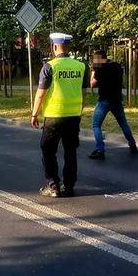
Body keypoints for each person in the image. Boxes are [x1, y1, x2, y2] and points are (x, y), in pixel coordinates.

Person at [31, 32, 88, 198]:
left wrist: (34, 114)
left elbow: (41, 93)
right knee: (70, 152)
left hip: (54, 118)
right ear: (68, 47)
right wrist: (79, 110)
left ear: (54, 47)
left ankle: (54, 186)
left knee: (48, 151)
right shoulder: (81, 66)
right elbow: (84, 93)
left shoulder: (49, 66)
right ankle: (69, 186)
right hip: (73, 116)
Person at [88, 50, 137, 159]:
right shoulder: (117, 66)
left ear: (99, 59)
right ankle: (132, 144)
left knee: (96, 125)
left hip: (104, 101)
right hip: (117, 100)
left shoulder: (99, 70)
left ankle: (100, 150)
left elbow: (92, 84)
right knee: (123, 123)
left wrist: (93, 71)